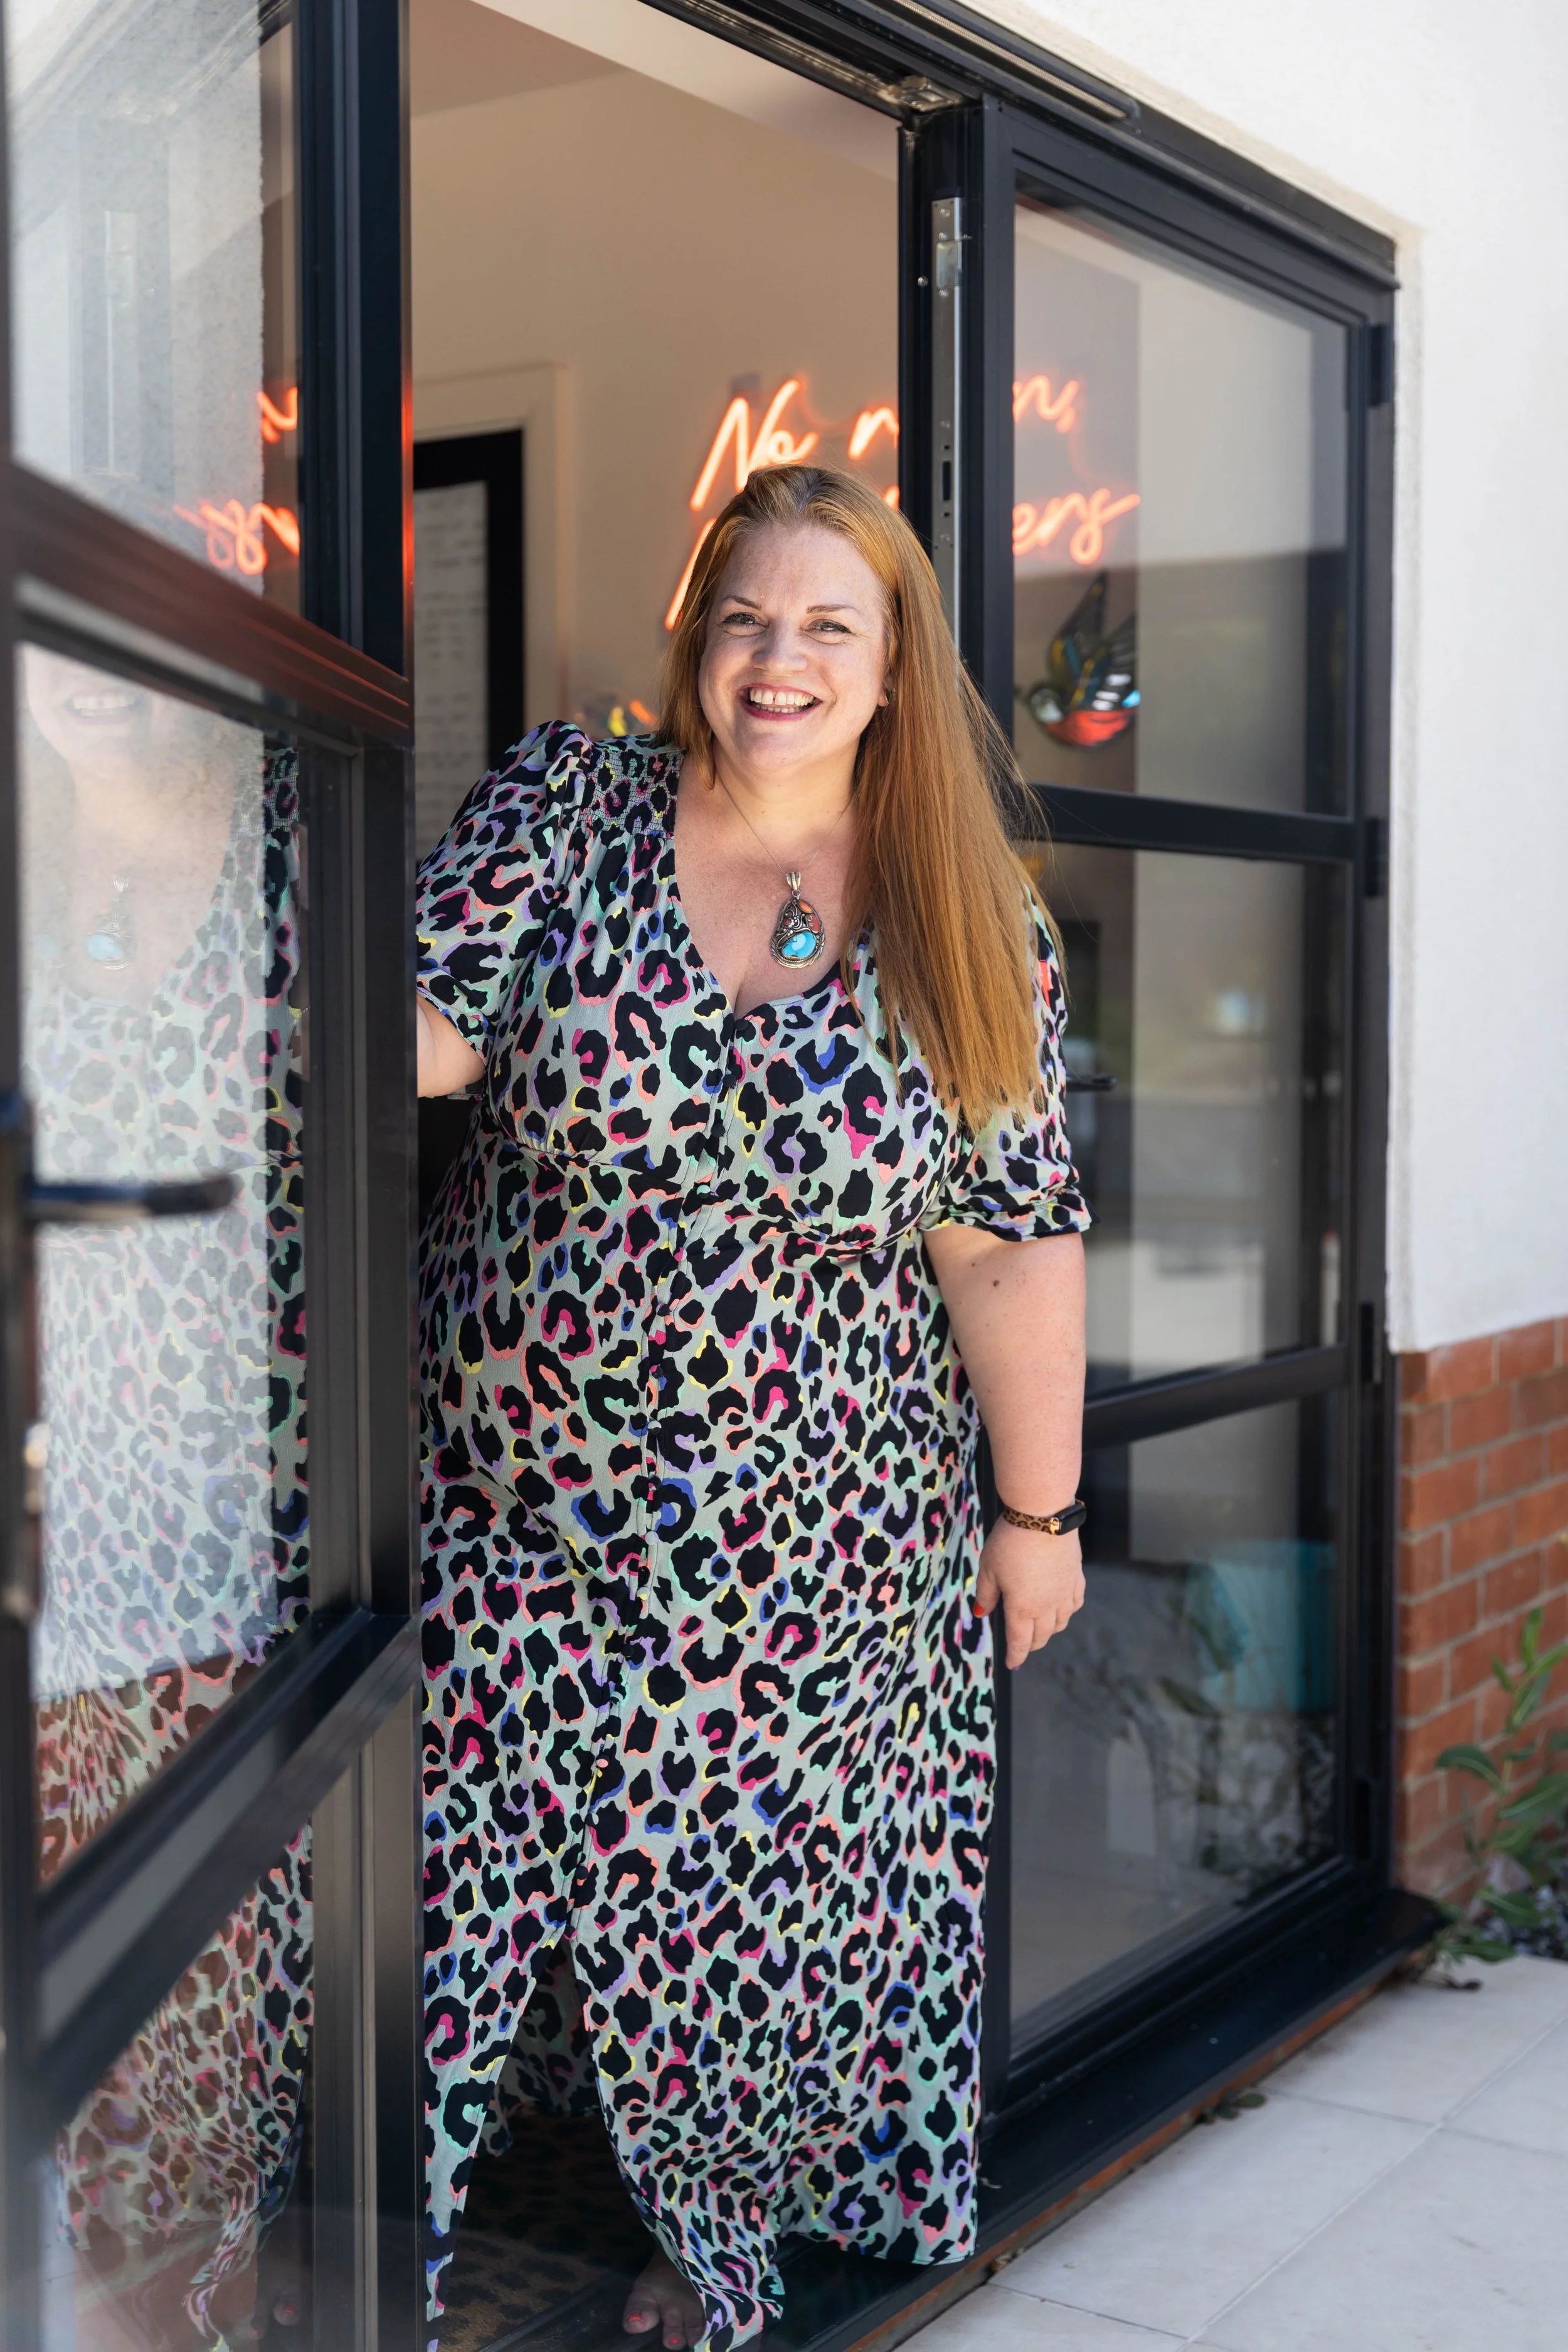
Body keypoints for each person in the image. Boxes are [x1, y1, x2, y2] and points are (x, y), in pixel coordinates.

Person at [416, 463, 1090, 2352]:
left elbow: (1007, 1245)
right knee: (440, 1878)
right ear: (691, 634)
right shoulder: (572, 801)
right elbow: (427, 1026)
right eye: (740, 614)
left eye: (824, 625)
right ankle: (342, 2232)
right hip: (504, 1511)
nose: (772, 658)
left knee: (745, 1911)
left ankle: (707, 2232)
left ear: (893, 666)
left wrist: (1036, 1517)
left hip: (815, 1542)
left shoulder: (971, 910)